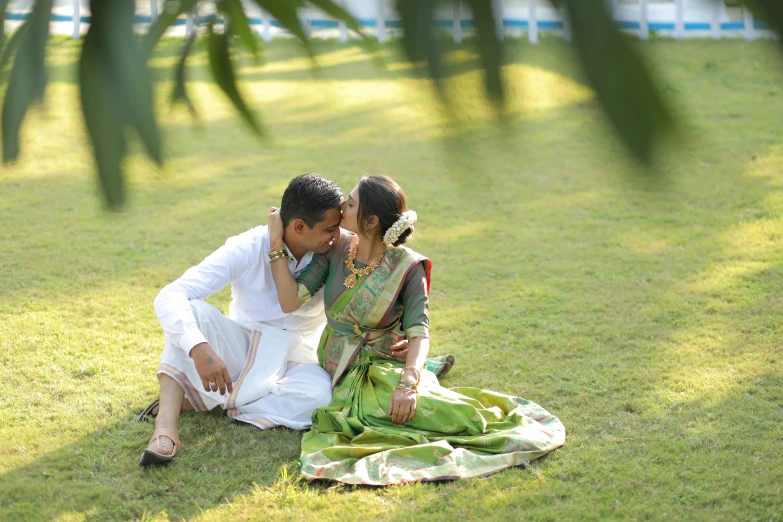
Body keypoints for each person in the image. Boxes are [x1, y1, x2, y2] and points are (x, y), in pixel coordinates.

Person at [268, 174, 566, 485]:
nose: (342, 206)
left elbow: (419, 331)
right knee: (379, 417)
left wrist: (408, 384)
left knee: (447, 416)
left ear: (369, 221)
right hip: (337, 360)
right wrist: (276, 242)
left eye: (351, 203)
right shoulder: (336, 246)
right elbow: (290, 301)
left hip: (384, 362)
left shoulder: (407, 267)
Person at [139, 173, 453, 467]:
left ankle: (208, 398)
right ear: (300, 227)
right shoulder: (251, 247)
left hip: (300, 357)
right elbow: (171, 294)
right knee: (190, 315)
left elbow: (394, 300)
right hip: (244, 345)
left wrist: (398, 342)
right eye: (331, 228)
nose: (338, 230)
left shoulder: (336, 247)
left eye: (341, 221)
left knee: (321, 403)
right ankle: (166, 427)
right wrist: (200, 350)